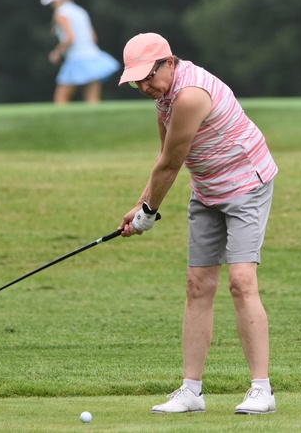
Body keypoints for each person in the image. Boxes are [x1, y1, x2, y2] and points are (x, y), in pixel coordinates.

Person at [117, 33, 278, 415]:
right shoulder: (164, 97)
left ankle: (262, 390)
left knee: (241, 282)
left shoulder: (190, 95)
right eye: (137, 81)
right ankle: (191, 391)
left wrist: (147, 214)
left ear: (169, 63)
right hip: (206, 189)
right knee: (197, 285)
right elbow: (165, 157)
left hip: (246, 183)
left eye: (148, 76)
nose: (144, 87)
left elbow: (172, 163)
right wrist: (141, 205)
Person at [40, 0, 120, 104]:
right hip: (93, 57)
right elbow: (93, 37)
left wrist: (57, 52)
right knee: (92, 101)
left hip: (76, 59)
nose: (51, 4)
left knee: (60, 100)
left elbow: (69, 38)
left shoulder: (60, 13)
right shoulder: (80, 11)